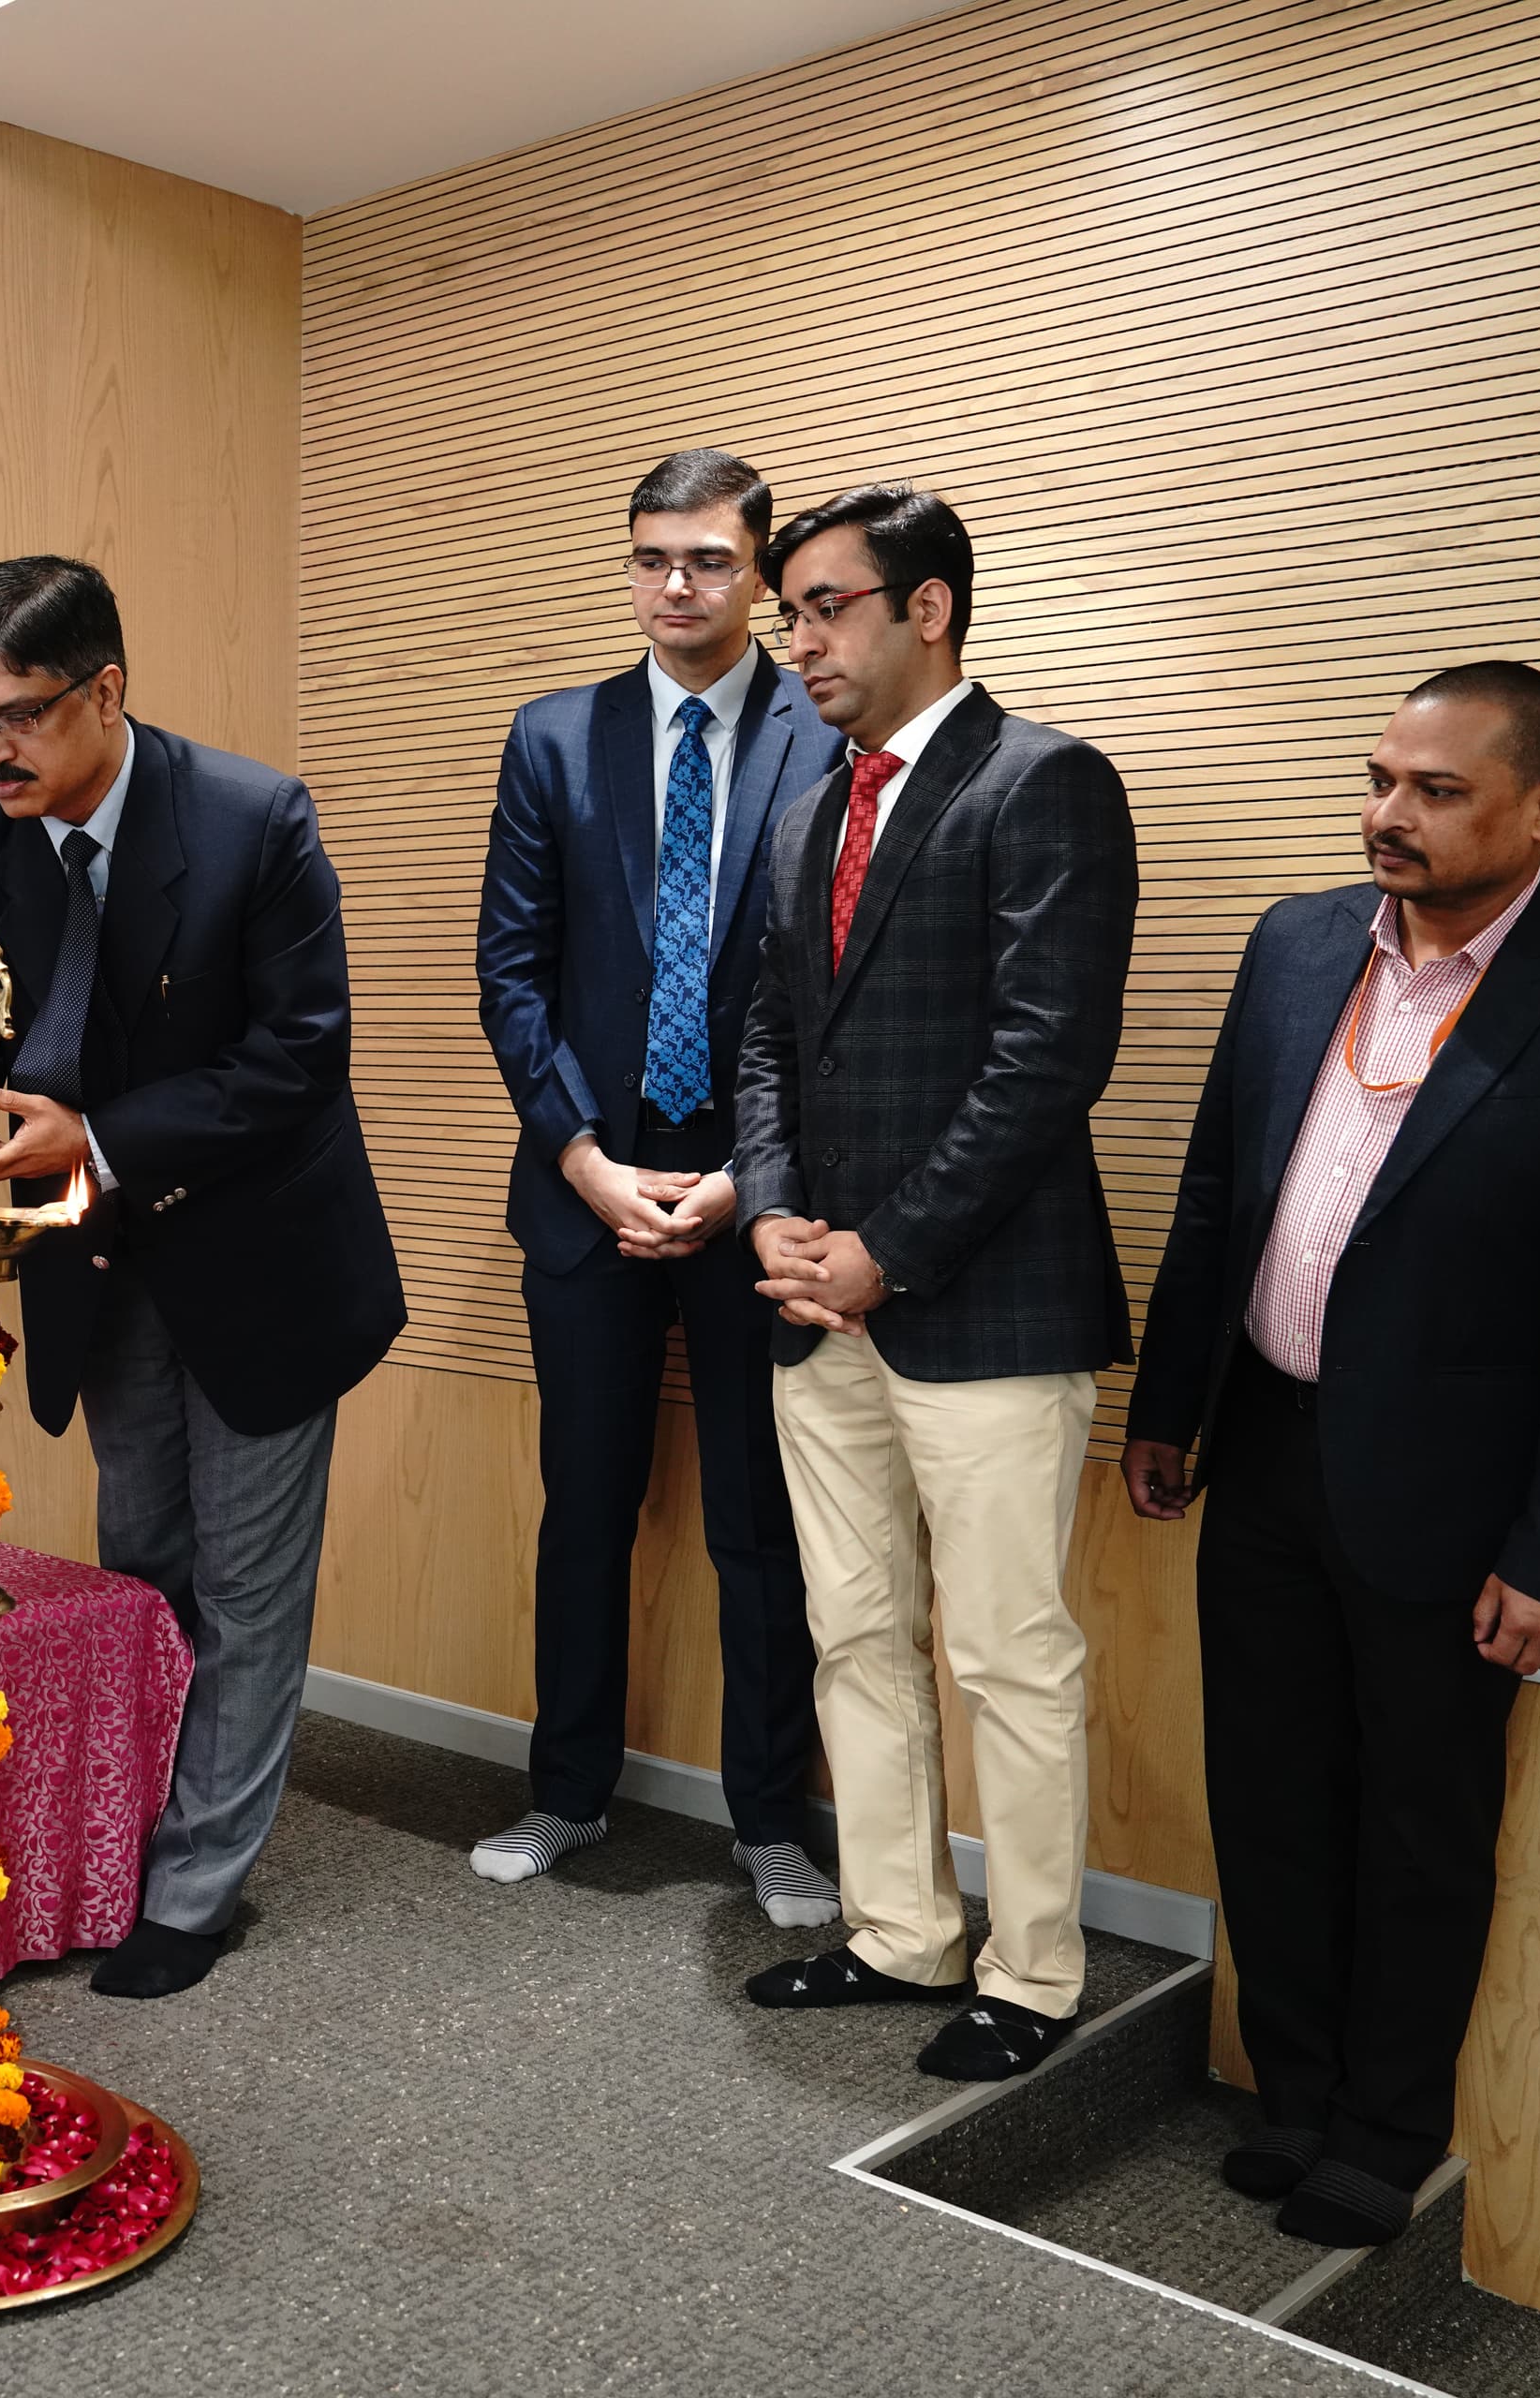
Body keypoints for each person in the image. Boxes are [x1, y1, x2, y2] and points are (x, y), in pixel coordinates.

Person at [1121, 664, 1540, 2246]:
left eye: (1439, 790)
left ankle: (1384, 2132)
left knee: (1420, 1820)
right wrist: (1170, 1405)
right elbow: (1213, 1193)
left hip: (1454, 1498)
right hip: (1264, 1441)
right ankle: (1295, 2094)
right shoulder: (1298, 942)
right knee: (1270, 1792)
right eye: (1382, 779)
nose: (1391, 814)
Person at [0, 555, 404, 1998]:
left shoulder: (252, 820)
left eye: (17, 713)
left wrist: (104, 1134)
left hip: (260, 1260)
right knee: (148, 1574)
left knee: (250, 1588)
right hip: (102, 1263)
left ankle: (196, 1895)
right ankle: (132, 1839)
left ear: (106, 692)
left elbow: (296, 1059)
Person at [726, 484, 1140, 2081]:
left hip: (982, 1302)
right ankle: (901, 1933)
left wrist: (886, 1249)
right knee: (855, 1635)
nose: (802, 641)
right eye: (792, 615)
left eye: (827, 606)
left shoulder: (1044, 784)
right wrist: (771, 1215)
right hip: (812, 1301)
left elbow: (1049, 1062)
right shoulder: (807, 807)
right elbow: (768, 1037)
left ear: (931, 609)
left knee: (1007, 1655)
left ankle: (1033, 1973)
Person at [469, 449, 846, 1916]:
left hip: (766, 1202)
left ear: (758, 573)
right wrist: (581, 1159)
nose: (675, 587)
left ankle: (769, 1820)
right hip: (588, 1189)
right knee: (587, 1505)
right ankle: (566, 1791)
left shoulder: (826, 737)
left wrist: (750, 1176)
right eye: (649, 559)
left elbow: (832, 995)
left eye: (706, 560)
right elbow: (512, 974)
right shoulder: (554, 738)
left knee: (762, 1521)